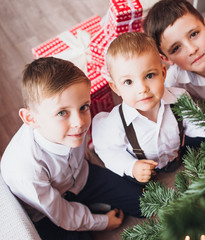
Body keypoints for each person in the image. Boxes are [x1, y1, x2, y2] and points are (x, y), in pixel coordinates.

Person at [0, 57, 144, 240]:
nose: (80, 123)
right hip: (46, 213)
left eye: (84, 107)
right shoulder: (26, 168)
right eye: (62, 113)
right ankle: (90, 211)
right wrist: (102, 222)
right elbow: (60, 214)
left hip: (80, 177)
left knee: (141, 201)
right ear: (31, 119)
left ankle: (91, 206)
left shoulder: (72, 127)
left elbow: (82, 155)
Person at [91, 32, 205, 184]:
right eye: (128, 82)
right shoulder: (116, 123)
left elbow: (196, 121)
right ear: (116, 88)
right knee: (126, 187)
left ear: (163, 73)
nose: (142, 89)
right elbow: (109, 151)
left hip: (175, 158)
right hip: (140, 171)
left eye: (149, 76)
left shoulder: (179, 98)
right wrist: (131, 167)